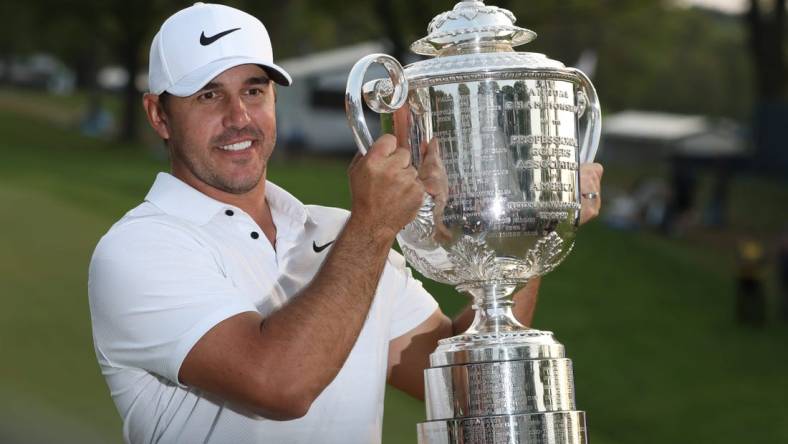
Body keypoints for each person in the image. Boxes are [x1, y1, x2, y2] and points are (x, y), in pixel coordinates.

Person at [88, 3, 604, 444]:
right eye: (208, 95)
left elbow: (469, 387)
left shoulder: (337, 233)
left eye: (254, 91)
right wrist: (373, 227)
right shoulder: (139, 248)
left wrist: (525, 219)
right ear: (159, 116)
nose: (238, 118)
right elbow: (280, 386)